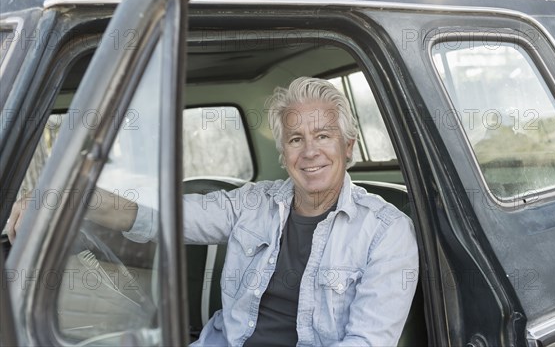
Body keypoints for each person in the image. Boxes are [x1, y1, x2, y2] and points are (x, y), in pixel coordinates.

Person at [8, 76, 419, 346]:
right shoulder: (252, 203)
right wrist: (61, 193)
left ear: (348, 147)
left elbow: (366, 343)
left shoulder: (387, 232)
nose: (310, 151)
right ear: (283, 153)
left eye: (323, 136)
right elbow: (157, 218)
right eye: (295, 139)